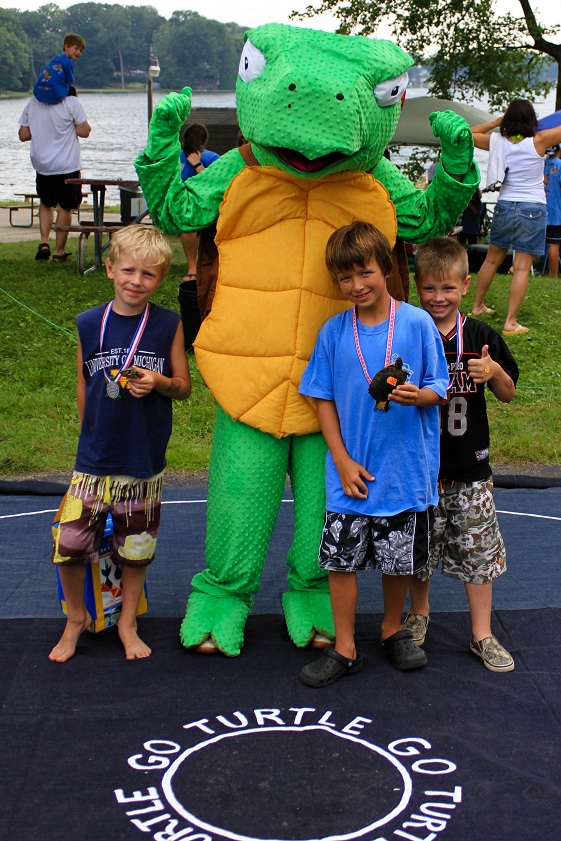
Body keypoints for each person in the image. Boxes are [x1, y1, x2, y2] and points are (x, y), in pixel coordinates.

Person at [298, 221, 449, 687]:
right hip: (350, 472)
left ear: (385, 267)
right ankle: (344, 646)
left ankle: (391, 628)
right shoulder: (333, 332)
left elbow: (441, 387)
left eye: (364, 273)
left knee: (397, 560)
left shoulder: (418, 322)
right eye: (345, 278)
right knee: (340, 563)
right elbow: (320, 396)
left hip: (403, 471)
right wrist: (340, 459)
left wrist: (419, 397)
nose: (356, 286)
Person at [49, 226, 191, 663]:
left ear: (160, 279)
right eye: (128, 270)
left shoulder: (168, 324)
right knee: (69, 545)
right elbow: (83, 383)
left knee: (135, 549)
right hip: (94, 459)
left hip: (141, 461)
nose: (136, 281)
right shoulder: (89, 322)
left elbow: (184, 387)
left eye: (148, 274)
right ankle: (76, 617)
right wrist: (87, 432)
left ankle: (127, 621)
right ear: (109, 268)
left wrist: (161, 381)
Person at [405, 237, 518, 672]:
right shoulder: (410, 333)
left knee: (478, 554)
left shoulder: (481, 336)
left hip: (470, 467)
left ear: (466, 285)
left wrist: (495, 371)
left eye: (447, 289)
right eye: (430, 288)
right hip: (420, 467)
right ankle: (419, 615)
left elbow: (508, 394)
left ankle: (482, 634)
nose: (438, 298)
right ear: (418, 287)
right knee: (419, 551)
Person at [470, 100, 561, 336]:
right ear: (532, 120)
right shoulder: (539, 141)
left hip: (505, 205)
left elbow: (467, 134)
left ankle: (477, 307)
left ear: (508, 119)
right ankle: (510, 322)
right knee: (521, 267)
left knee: (491, 260)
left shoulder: (496, 141)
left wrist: (496, 123)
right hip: (532, 207)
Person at [18, 85, 91, 262]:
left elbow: (23, 134)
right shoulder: (71, 102)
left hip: (42, 164)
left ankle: (44, 242)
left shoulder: (34, 103)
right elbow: (85, 131)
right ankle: (59, 252)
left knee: (46, 202)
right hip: (66, 165)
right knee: (65, 206)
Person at [179, 122, 219, 282]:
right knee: (188, 223)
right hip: (187, 205)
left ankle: (197, 267)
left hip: (208, 205)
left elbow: (215, 184)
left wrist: (197, 164)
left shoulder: (212, 158)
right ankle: (193, 267)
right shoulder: (177, 157)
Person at [33, 33, 85, 104]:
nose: (78, 52)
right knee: (74, 91)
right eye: (76, 49)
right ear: (66, 47)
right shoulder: (68, 62)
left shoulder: (55, 59)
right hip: (55, 93)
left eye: (80, 51)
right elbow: (69, 83)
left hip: (39, 91)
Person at [544, 145, 561, 279]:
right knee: (553, 245)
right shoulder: (559, 164)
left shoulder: (540, 163)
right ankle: (553, 276)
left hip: (538, 209)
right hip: (555, 212)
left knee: (531, 243)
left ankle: (519, 267)